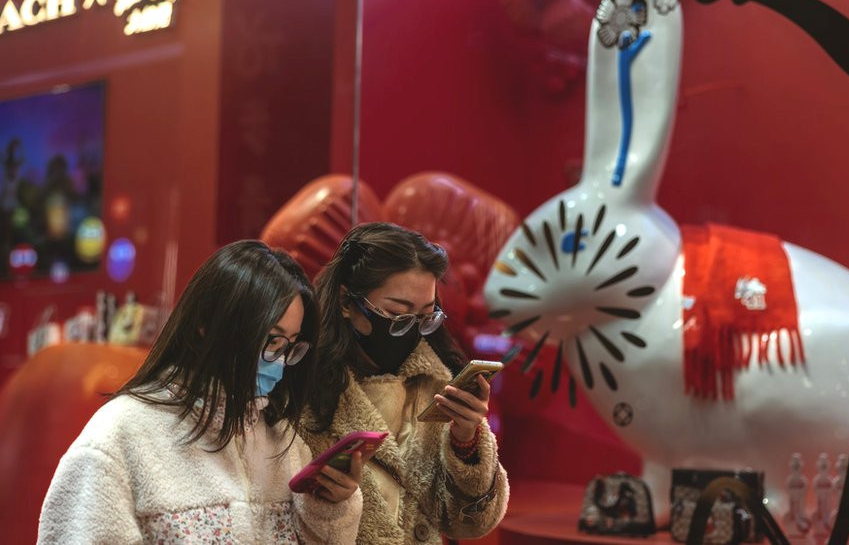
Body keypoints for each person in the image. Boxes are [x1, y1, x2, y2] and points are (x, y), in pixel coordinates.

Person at [38, 240, 363, 544]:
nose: (278, 364)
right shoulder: (122, 434)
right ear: (206, 325)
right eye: (270, 341)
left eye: (290, 347)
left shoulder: (278, 437)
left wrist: (329, 505)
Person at [301, 222, 509, 545]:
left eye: (427, 316)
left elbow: (468, 524)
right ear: (346, 302)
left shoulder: (437, 382)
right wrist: (331, 504)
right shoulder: (302, 390)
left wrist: (466, 439)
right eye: (397, 315)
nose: (413, 331)